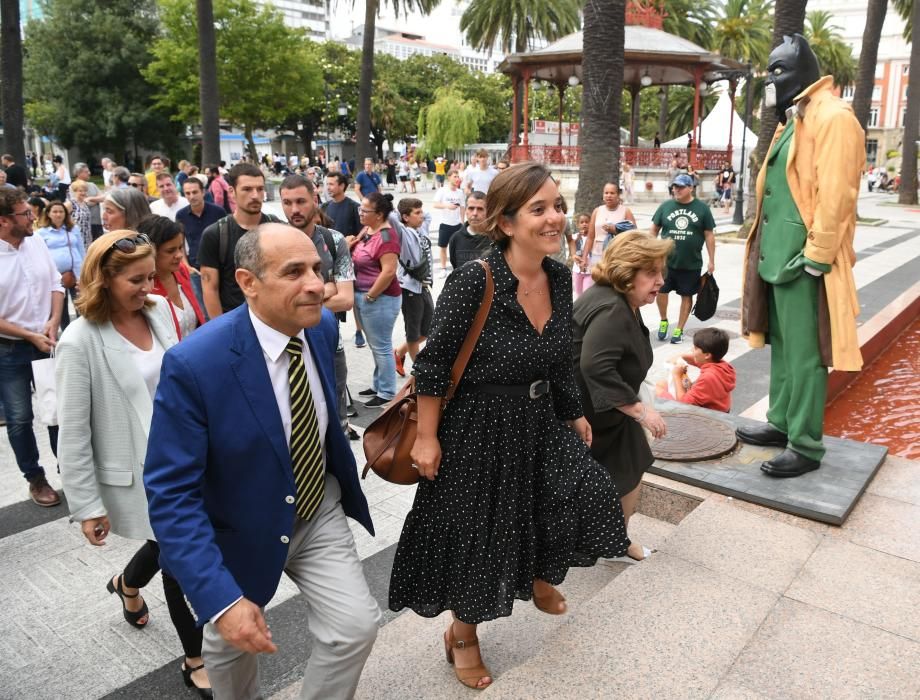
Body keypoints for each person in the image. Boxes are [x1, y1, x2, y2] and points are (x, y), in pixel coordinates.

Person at [389, 162, 630, 690]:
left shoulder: (560, 275)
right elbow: (433, 364)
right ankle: (463, 634)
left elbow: (562, 354)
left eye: (558, 207)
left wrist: (573, 411)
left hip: (540, 420)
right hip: (478, 428)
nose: (554, 219)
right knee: (484, 538)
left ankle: (542, 573)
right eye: (538, 209)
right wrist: (427, 437)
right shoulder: (475, 279)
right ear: (506, 222)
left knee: (585, 494)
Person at [144, 223, 380, 700]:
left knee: (355, 628)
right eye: (294, 271)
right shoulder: (196, 364)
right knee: (231, 650)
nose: (316, 284)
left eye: (316, 267)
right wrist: (221, 599)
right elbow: (170, 493)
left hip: (317, 511)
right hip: (237, 528)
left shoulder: (319, 326)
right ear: (248, 283)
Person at [54, 230, 212, 697]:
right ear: (104, 279)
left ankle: (126, 583)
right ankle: (195, 657)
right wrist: (87, 505)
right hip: (142, 475)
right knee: (180, 557)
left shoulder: (161, 311)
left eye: (151, 277)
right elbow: (74, 430)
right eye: (137, 280)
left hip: (186, 457)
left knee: (171, 544)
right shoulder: (80, 341)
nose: (149, 288)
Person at [739, 34, 865, 478]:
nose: (771, 78)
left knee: (807, 354)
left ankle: (806, 444)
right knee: (784, 349)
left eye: (778, 69)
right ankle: (781, 422)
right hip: (778, 256)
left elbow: (838, 193)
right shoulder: (799, 116)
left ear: (803, 70)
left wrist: (817, 255)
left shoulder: (833, 117)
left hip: (803, 260)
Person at [572, 232, 671, 563]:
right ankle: (614, 540)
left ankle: (616, 539)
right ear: (627, 271)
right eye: (651, 273)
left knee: (630, 466)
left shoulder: (618, 297)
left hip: (597, 410)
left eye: (661, 271)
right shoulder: (613, 307)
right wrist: (639, 410)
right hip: (589, 413)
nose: (660, 281)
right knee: (629, 466)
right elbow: (595, 365)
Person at [0, 189, 64, 507]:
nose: (32, 217)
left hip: (47, 341)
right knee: (19, 418)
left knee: (57, 411)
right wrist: (27, 335)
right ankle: (35, 478)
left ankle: (70, 469)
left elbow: (55, 282)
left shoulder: (36, 241)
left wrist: (53, 320)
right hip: (9, 349)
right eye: (25, 214)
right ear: (3, 220)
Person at [279, 175, 356, 437]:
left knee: (337, 424)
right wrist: (328, 287)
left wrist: (297, 298)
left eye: (300, 201)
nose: (294, 210)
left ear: (315, 199)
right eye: (287, 203)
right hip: (284, 347)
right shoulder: (273, 242)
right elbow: (274, 303)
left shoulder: (333, 241)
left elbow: (346, 299)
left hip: (329, 344)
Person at [198, 163, 280, 317]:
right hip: (235, 320)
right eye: (247, 189)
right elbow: (210, 289)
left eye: (260, 189)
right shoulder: (215, 234)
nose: (255, 195)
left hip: (275, 319)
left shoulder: (278, 228)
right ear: (232, 192)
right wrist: (221, 331)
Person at [650, 173, 716, 344]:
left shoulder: (702, 209)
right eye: (674, 186)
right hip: (666, 263)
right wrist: (651, 252)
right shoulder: (665, 207)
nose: (675, 189)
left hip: (691, 264)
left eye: (680, 187)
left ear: (691, 188)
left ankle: (679, 329)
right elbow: (653, 231)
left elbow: (709, 235)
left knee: (687, 296)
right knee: (661, 291)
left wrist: (711, 259)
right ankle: (664, 320)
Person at [350, 192, 402, 406]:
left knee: (381, 345)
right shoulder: (368, 229)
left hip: (380, 299)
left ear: (379, 215)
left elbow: (389, 271)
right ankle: (379, 384)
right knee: (375, 345)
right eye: (360, 209)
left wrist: (371, 296)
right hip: (366, 296)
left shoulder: (387, 237)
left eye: (365, 210)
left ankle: (387, 391)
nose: (360, 213)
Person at [140, 216, 205, 339]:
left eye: (180, 247)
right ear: (151, 252)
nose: (179, 255)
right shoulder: (145, 289)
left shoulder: (182, 271)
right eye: (170, 251)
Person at [392, 197, 434, 377]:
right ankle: (419, 370)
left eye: (421, 211)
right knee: (413, 332)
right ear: (405, 217)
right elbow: (393, 219)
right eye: (417, 213)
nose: (422, 215)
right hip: (409, 289)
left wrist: (416, 209)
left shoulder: (421, 227)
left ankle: (399, 353)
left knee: (430, 328)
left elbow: (428, 214)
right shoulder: (403, 233)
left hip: (423, 287)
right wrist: (392, 208)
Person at [656, 327, 736, 412]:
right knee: (662, 383)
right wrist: (681, 357)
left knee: (657, 389)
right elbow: (697, 361)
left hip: (710, 416)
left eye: (695, 348)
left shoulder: (708, 377)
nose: (692, 350)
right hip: (721, 409)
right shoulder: (723, 365)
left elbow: (683, 404)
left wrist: (677, 375)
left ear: (707, 355)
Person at [578, 182, 637, 293]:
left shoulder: (625, 211)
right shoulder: (597, 211)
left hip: (617, 256)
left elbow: (634, 234)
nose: (609, 195)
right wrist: (584, 257)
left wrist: (615, 230)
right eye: (606, 193)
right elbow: (591, 237)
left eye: (612, 193)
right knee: (597, 287)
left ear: (618, 195)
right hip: (597, 255)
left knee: (614, 286)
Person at [37, 200, 85, 331]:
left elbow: (81, 250)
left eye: (61, 211)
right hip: (56, 277)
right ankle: (67, 334)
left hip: (76, 273)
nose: (58, 214)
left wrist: (85, 271)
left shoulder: (73, 229)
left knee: (81, 305)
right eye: (55, 211)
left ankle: (83, 333)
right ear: (48, 214)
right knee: (61, 309)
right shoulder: (41, 233)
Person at [446, 191, 492, 269]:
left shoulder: (496, 238)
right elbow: (455, 266)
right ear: (466, 210)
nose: (475, 213)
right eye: (471, 208)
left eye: (480, 209)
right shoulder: (456, 238)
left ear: (488, 212)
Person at [433, 169, 465, 277]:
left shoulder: (460, 192)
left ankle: (458, 269)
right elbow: (436, 204)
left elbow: (462, 207)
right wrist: (447, 206)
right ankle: (443, 268)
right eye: (455, 176)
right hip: (445, 224)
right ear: (449, 177)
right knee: (443, 247)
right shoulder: (442, 190)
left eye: (458, 177)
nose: (457, 179)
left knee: (458, 248)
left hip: (457, 224)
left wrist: (462, 221)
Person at [321, 172, 362, 237]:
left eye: (331, 184)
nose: (328, 188)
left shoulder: (355, 207)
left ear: (342, 186)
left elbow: (362, 231)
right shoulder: (323, 207)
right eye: (327, 184)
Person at [65, 179, 93, 249]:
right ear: (75, 191)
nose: (83, 193)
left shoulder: (85, 204)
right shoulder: (71, 204)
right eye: (80, 191)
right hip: (75, 237)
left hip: (87, 237)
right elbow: (62, 218)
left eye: (85, 191)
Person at [571, 213, 593, 298]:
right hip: (577, 270)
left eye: (587, 222)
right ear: (578, 224)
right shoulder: (575, 237)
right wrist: (575, 240)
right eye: (582, 222)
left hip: (589, 271)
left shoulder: (592, 238)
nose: (584, 224)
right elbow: (572, 249)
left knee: (586, 293)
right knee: (578, 293)